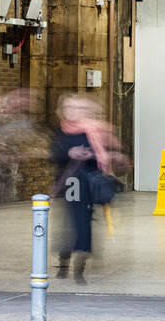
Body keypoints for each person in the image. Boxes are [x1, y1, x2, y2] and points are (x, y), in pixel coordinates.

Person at [50, 94, 119, 282]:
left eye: (77, 108)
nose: (73, 112)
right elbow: (54, 154)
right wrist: (69, 152)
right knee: (67, 227)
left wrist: (91, 155)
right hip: (69, 186)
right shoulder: (61, 131)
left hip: (88, 186)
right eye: (68, 108)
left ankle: (79, 269)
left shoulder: (93, 130)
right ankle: (63, 263)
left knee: (84, 227)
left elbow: (104, 154)